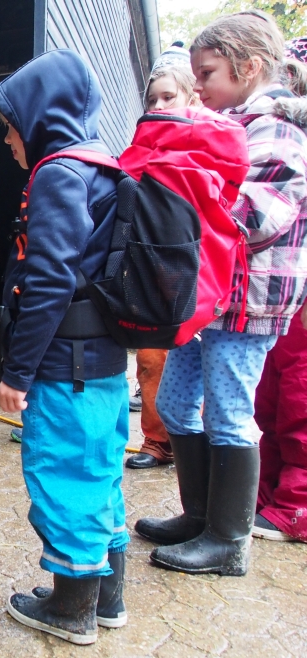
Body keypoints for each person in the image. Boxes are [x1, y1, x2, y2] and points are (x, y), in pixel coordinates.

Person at [136, 11, 307, 575]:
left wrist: (188, 192)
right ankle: (199, 516)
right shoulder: (232, 124)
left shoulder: (278, 129)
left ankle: (229, 542)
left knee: (231, 412)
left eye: (206, 74)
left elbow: (262, 216)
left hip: (249, 300)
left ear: (249, 66)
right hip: (210, 297)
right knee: (180, 404)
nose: (200, 87)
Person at [0, 49, 128, 646]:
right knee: (99, 474)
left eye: (10, 125)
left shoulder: (57, 175)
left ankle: (72, 608)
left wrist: (17, 374)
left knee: (65, 476)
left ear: (40, 117)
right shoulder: (105, 165)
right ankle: (109, 599)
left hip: (63, 368)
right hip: (102, 366)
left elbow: (48, 281)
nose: (7, 140)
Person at [127, 43, 202, 470]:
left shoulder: (211, 143)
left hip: (202, 272)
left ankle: (194, 447)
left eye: (168, 97)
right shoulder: (144, 147)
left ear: (191, 98)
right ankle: (157, 442)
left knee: (202, 370)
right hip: (157, 269)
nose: (158, 105)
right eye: (152, 99)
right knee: (151, 359)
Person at [252, 37, 307, 544]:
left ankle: (297, 505)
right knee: (269, 396)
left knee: (299, 397)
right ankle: (268, 495)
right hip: (282, 291)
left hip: (292, 285)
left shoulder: (286, 135)